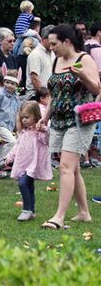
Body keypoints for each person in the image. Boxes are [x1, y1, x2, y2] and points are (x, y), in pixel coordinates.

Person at [40, 24, 101, 230]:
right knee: (72, 168)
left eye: (55, 44)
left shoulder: (84, 59)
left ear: (67, 42)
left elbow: (96, 89)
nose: (52, 48)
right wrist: (45, 117)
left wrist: (82, 75)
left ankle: (59, 216)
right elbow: (54, 94)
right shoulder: (56, 60)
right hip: (59, 120)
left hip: (80, 121)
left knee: (66, 167)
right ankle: (84, 213)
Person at [5, 101, 52, 221]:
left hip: (33, 164)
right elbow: (17, 146)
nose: (24, 120)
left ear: (35, 116)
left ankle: (26, 210)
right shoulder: (24, 132)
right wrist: (10, 156)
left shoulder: (38, 132)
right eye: (22, 118)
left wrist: (43, 129)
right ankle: (32, 210)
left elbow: (46, 140)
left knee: (23, 184)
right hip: (23, 164)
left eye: (27, 117)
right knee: (29, 186)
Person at [25, 25, 56, 99]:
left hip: (49, 95)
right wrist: (44, 97)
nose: (53, 42)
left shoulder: (52, 53)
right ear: (43, 39)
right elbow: (35, 79)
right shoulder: (36, 54)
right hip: (36, 95)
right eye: (51, 40)